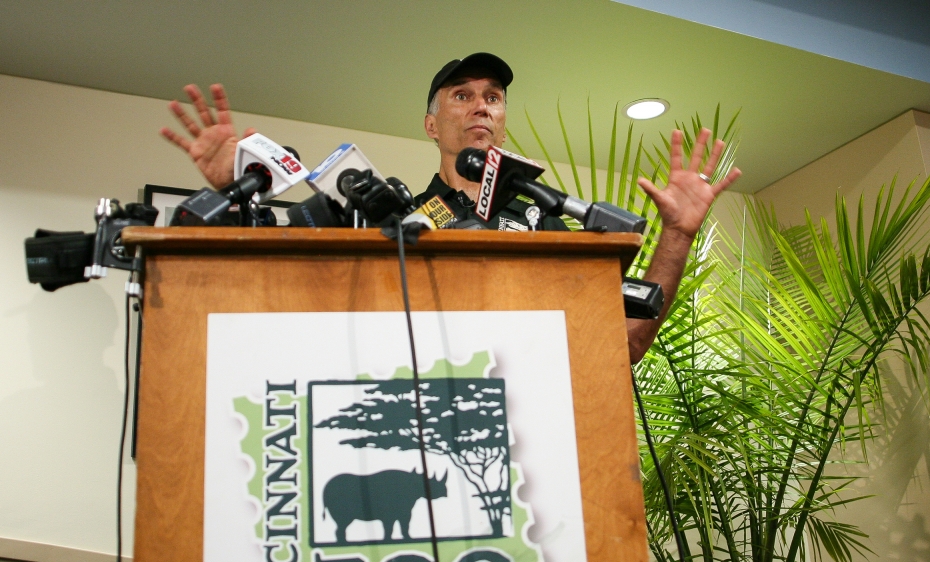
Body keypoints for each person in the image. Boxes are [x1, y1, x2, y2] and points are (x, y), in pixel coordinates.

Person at [159, 53, 741, 363]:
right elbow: (296, 310)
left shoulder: (551, 224)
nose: (481, 107)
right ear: (432, 125)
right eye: (462, 95)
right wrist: (235, 190)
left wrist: (677, 235)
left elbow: (625, 347)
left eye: (493, 97)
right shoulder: (396, 224)